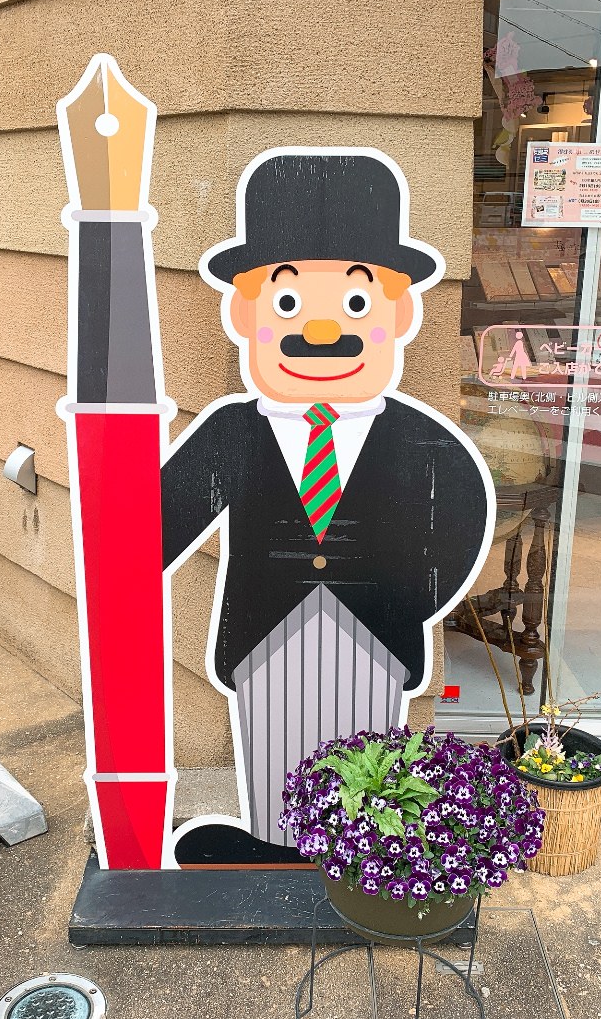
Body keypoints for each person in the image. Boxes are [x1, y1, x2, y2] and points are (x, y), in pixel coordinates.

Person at [164, 148, 493, 865]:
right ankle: (273, 842)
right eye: (286, 303)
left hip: (376, 634)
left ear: (400, 313)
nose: (319, 330)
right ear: (244, 313)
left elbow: (462, 521)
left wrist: (406, 600)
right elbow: (155, 529)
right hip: (262, 631)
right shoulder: (232, 433)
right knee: (274, 740)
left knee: (364, 748)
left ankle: (357, 849)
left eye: (354, 303)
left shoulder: (421, 442)